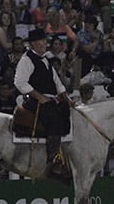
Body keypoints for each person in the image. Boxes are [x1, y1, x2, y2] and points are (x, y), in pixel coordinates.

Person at [14, 28, 72, 182]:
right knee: (53, 115)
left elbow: (56, 82)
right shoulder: (26, 60)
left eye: (46, 41)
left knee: (65, 110)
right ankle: (53, 161)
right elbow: (19, 82)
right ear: (34, 43)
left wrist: (66, 97)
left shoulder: (45, 59)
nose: (46, 44)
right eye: (42, 41)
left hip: (50, 98)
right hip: (35, 100)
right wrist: (40, 97)